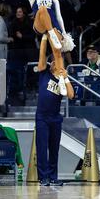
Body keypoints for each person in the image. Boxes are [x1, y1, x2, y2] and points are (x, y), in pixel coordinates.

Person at [21, 0, 72, 96]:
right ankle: (52, 33)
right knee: (42, 9)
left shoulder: (54, 0)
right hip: (40, 27)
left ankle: (61, 78)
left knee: (57, 53)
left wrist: (64, 34)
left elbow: (59, 17)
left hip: (54, 28)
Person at [35, 34, 74, 186]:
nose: (57, 64)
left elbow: (71, 95)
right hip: (42, 117)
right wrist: (45, 39)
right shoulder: (44, 74)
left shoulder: (63, 79)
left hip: (55, 117)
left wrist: (66, 78)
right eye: (55, 62)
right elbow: (41, 58)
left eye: (60, 62)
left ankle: (53, 176)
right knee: (42, 147)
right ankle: (43, 177)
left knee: (54, 148)